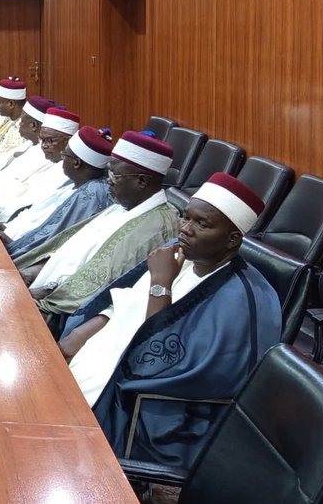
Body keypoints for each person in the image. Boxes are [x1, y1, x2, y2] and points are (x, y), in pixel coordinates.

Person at [60, 173, 281, 471]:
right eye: (186, 218)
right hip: (104, 371)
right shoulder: (181, 252)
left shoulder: (240, 299)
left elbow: (153, 365)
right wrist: (85, 330)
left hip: (156, 410)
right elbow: (126, 302)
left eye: (201, 224)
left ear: (232, 239)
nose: (186, 231)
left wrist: (161, 283)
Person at [16, 131, 182, 324]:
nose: (108, 180)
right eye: (108, 172)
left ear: (142, 182)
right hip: (40, 290)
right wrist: (30, 273)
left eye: (115, 174)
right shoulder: (121, 205)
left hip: (61, 314)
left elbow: (99, 286)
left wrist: (40, 293)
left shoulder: (156, 226)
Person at [3, 126, 114, 257]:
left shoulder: (89, 196)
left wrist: (13, 244)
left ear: (76, 163)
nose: (62, 159)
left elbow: (53, 241)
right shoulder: (72, 183)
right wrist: (6, 230)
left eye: (64, 155)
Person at [0, 106, 79, 225]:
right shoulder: (48, 156)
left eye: (50, 141)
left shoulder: (67, 172)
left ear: (68, 141)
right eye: (43, 140)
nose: (44, 146)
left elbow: (31, 203)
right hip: (6, 213)